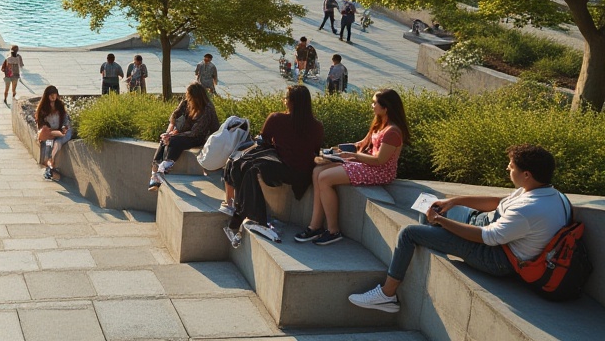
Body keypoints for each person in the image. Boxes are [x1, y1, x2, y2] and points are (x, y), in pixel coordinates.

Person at [348, 144, 570, 314]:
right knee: (434, 205)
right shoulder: (550, 194)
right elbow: (499, 203)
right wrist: (453, 201)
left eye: (511, 167)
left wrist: (441, 222)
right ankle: (434, 242)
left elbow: (487, 238)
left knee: (409, 234)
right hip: (493, 228)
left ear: (527, 174)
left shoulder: (529, 209)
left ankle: (387, 295)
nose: (507, 169)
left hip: (498, 257)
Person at [296, 88, 408, 246]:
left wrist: (353, 156)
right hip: (368, 165)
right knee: (317, 171)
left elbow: (379, 161)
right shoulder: (380, 125)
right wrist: (337, 150)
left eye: (375, 103)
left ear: (386, 107)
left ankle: (333, 230)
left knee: (325, 178)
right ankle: (315, 225)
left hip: (380, 172)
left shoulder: (393, 132)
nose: (372, 105)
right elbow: (361, 144)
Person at [221, 86, 323, 247]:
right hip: (303, 175)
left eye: (286, 98)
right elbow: (315, 151)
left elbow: (264, 140)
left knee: (249, 164)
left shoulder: (277, 118)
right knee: (252, 164)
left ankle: (248, 214)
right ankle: (241, 214)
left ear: (291, 102)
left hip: (283, 170)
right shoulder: (317, 126)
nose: (284, 101)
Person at [147, 83, 218, 190]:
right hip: (184, 133)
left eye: (189, 96)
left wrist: (173, 135)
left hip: (200, 137)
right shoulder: (186, 103)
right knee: (164, 140)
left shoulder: (207, 109)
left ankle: (162, 170)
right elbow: (174, 116)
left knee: (175, 141)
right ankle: (155, 172)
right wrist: (168, 132)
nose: (187, 97)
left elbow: (195, 132)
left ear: (196, 97)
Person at [35, 85, 72, 180]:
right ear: (47, 96)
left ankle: (52, 166)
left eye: (55, 95)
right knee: (47, 148)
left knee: (57, 143)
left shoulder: (60, 105)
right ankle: (49, 168)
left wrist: (64, 127)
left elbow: (66, 119)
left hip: (61, 132)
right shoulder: (43, 108)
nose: (53, 97)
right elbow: (40, 122)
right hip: (49, 133)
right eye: (51, 95)